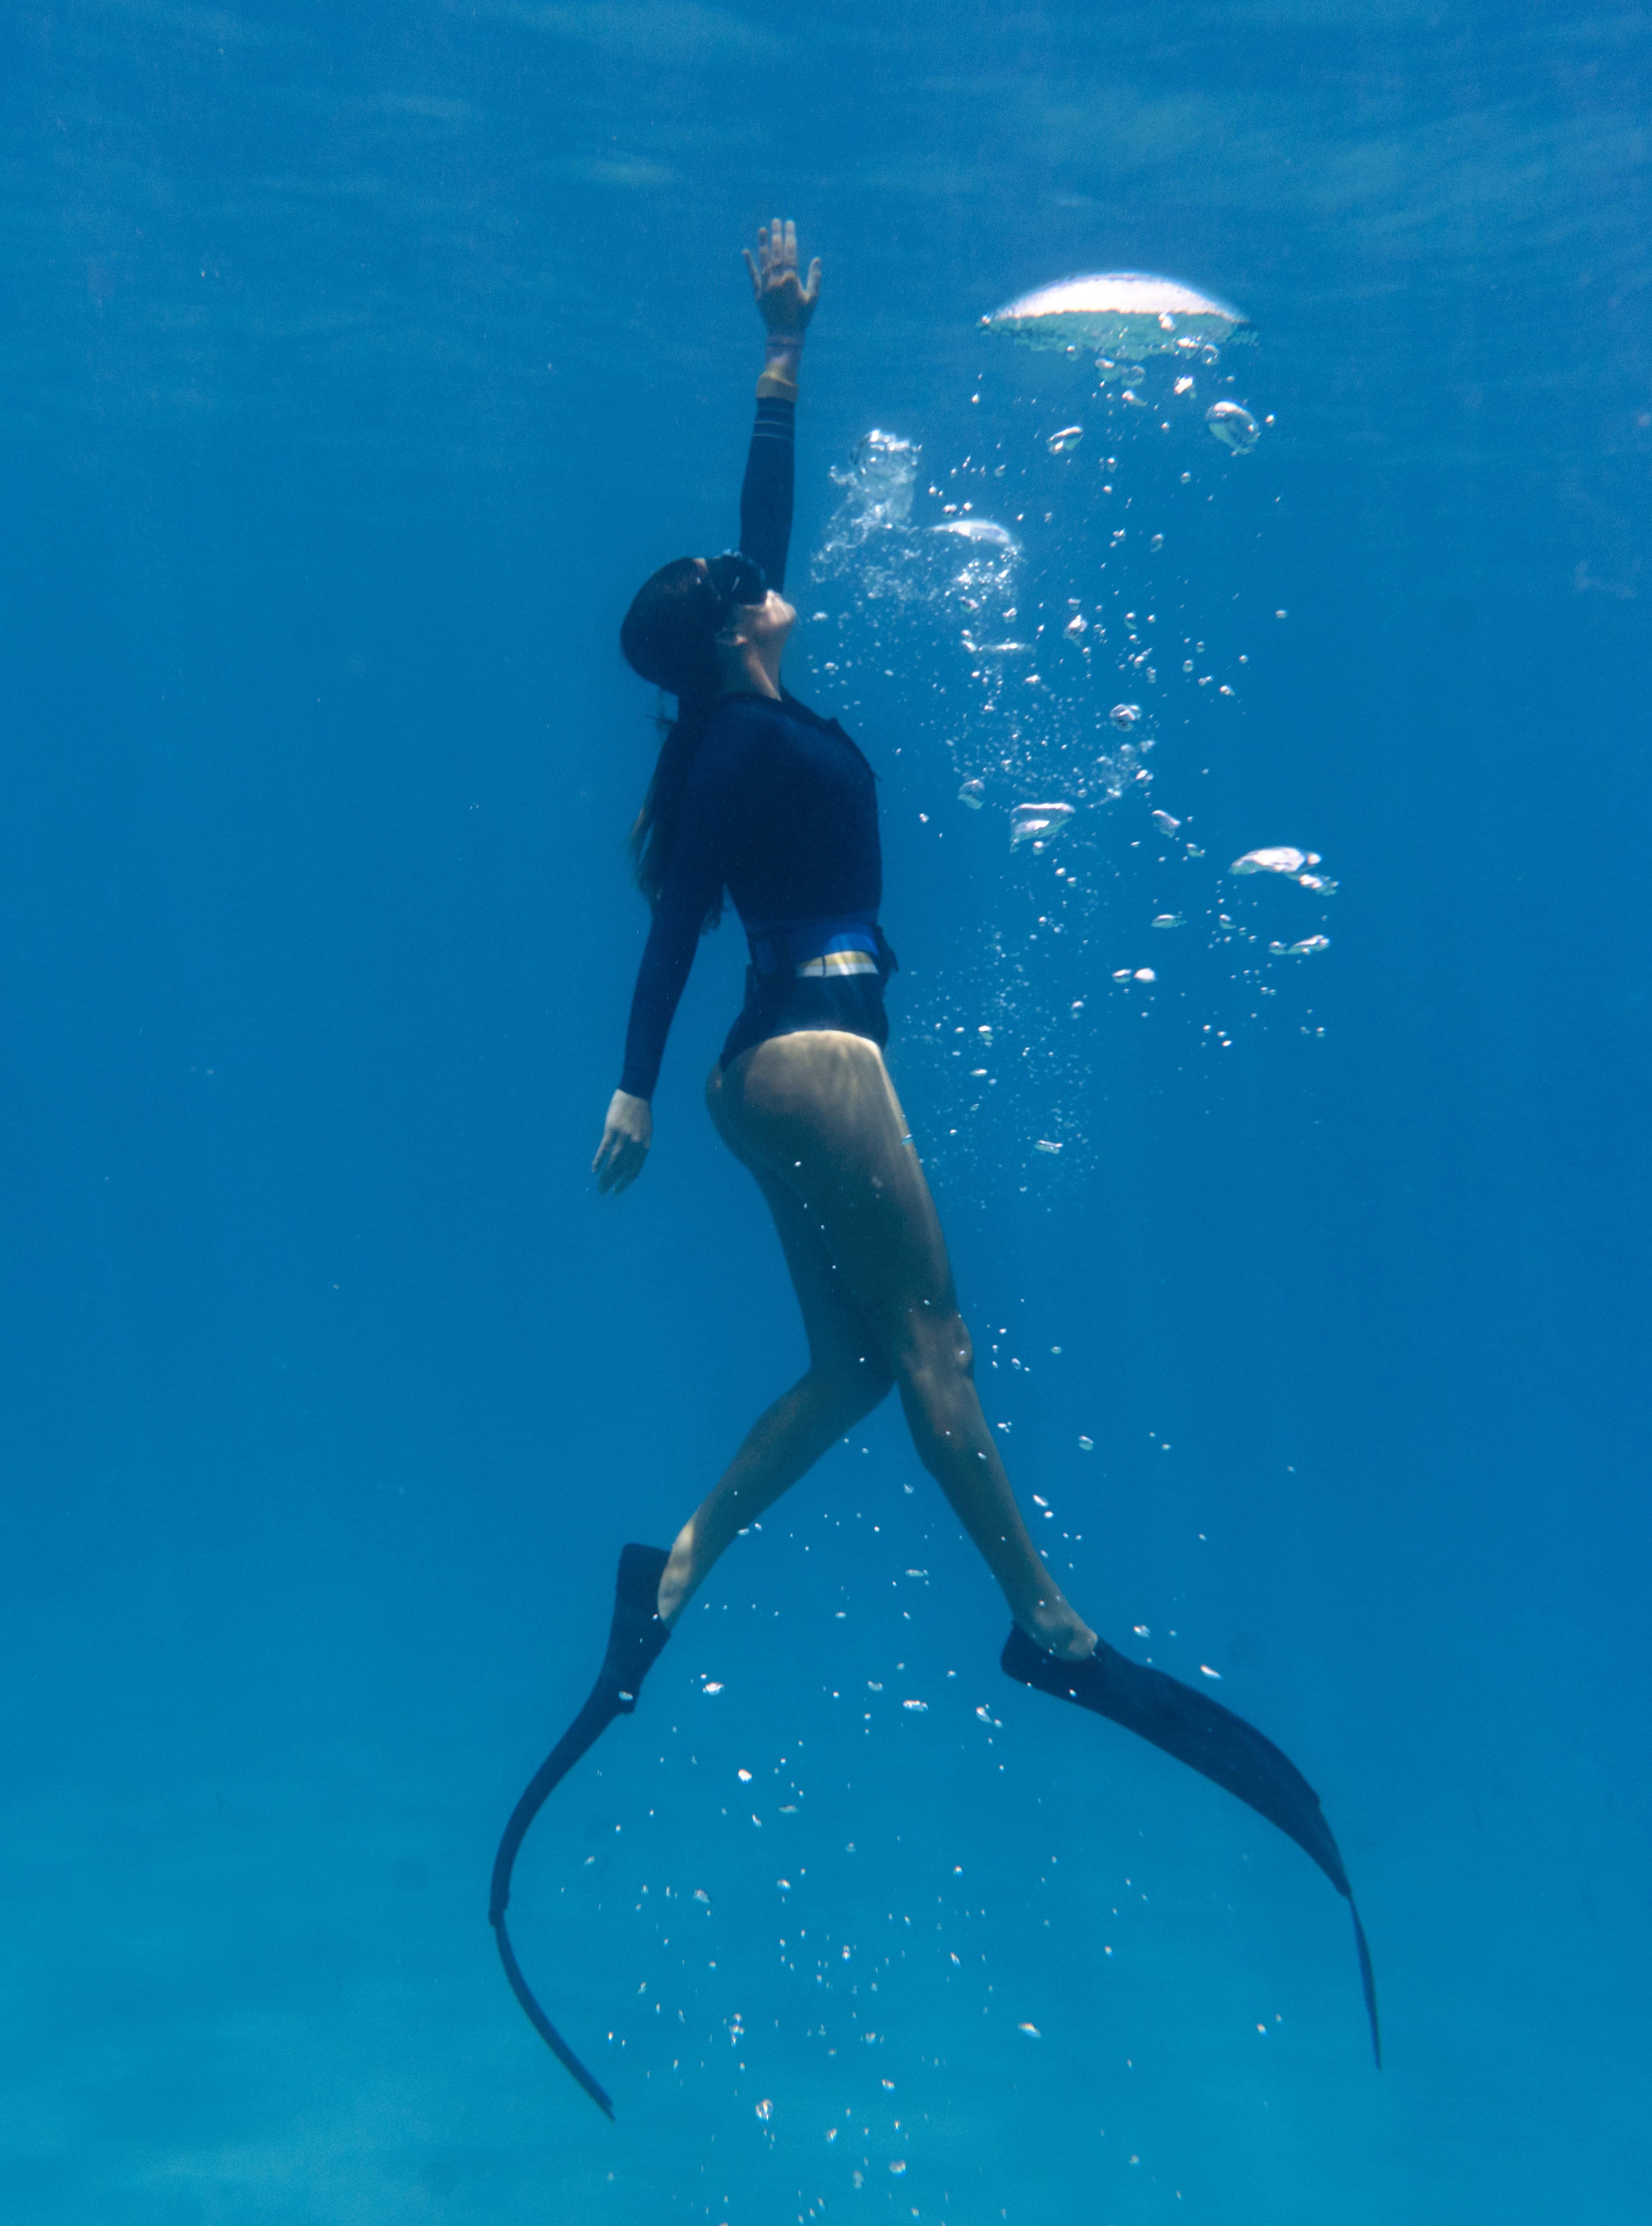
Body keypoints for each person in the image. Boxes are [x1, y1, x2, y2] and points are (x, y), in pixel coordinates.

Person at [487, 224, 1377, 2120]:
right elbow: (665, 943)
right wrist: (628, 1087)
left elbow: (757, 531)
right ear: (725, 629)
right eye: (744, 586)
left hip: (780, 1062)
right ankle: (1045, 1626)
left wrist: (778, 353)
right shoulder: (731, 734)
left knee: (857, 1369)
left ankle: (678, 1566)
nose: (766, 582)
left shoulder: (734, 696)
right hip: (807, 1050)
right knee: (939, 1347)